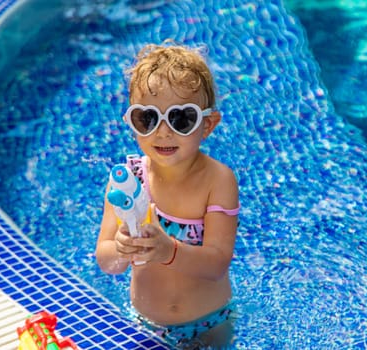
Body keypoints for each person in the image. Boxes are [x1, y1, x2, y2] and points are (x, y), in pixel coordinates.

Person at [96, 43, 240, 349]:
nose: (162, 132)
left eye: (181, 119)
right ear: (131, 122)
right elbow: (107, 262)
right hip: (146, 325)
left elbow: (217, 265)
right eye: (147, 119)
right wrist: (121, 249)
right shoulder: (127, 181)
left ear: (207, 125)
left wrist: (169, 251)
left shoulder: (218, 180)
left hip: (209, 323)